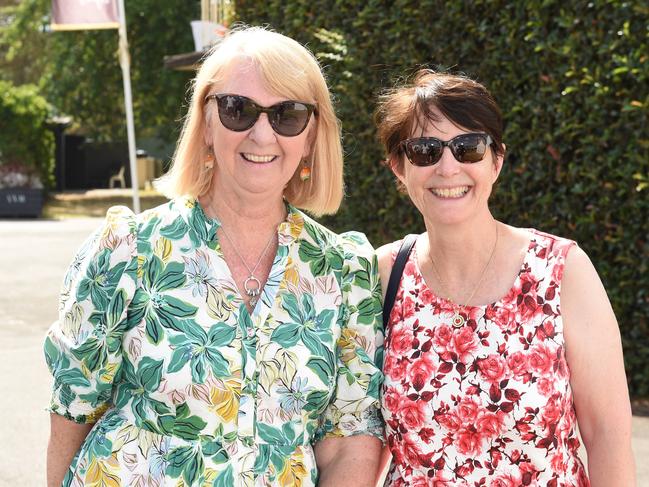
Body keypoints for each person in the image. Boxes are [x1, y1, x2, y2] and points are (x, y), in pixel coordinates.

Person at [44, 26, 384, 487]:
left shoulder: (344, 271)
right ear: (205, 123)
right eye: (237, 110)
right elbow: (73, 411)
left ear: (310, 135)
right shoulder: (130, 249)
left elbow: (348, 437)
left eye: (287, 114)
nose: (262, 134)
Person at [374, 70, 635, 486]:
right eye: (425, 150)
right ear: (398, 167)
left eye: (468, 148)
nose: (448, 167)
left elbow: (607, 438)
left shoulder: (562, 270)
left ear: (496, 161)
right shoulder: (384, 275)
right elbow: (357, 437)